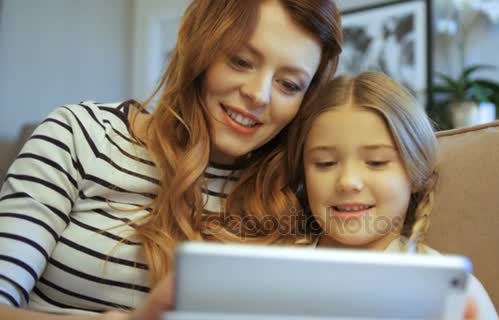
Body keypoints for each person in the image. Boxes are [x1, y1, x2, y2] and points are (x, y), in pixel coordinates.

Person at [0, 0, 342, 319]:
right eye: (241, 61)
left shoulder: (301, 192)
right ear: (199, 49)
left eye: (289, 84)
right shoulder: (81, 134)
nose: (259, 94)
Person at [285, 72, 499, 319]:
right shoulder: (278, 271)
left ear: (416, 174)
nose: (347, 182)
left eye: (376, 162)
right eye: (325, 163)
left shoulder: (452, 290)